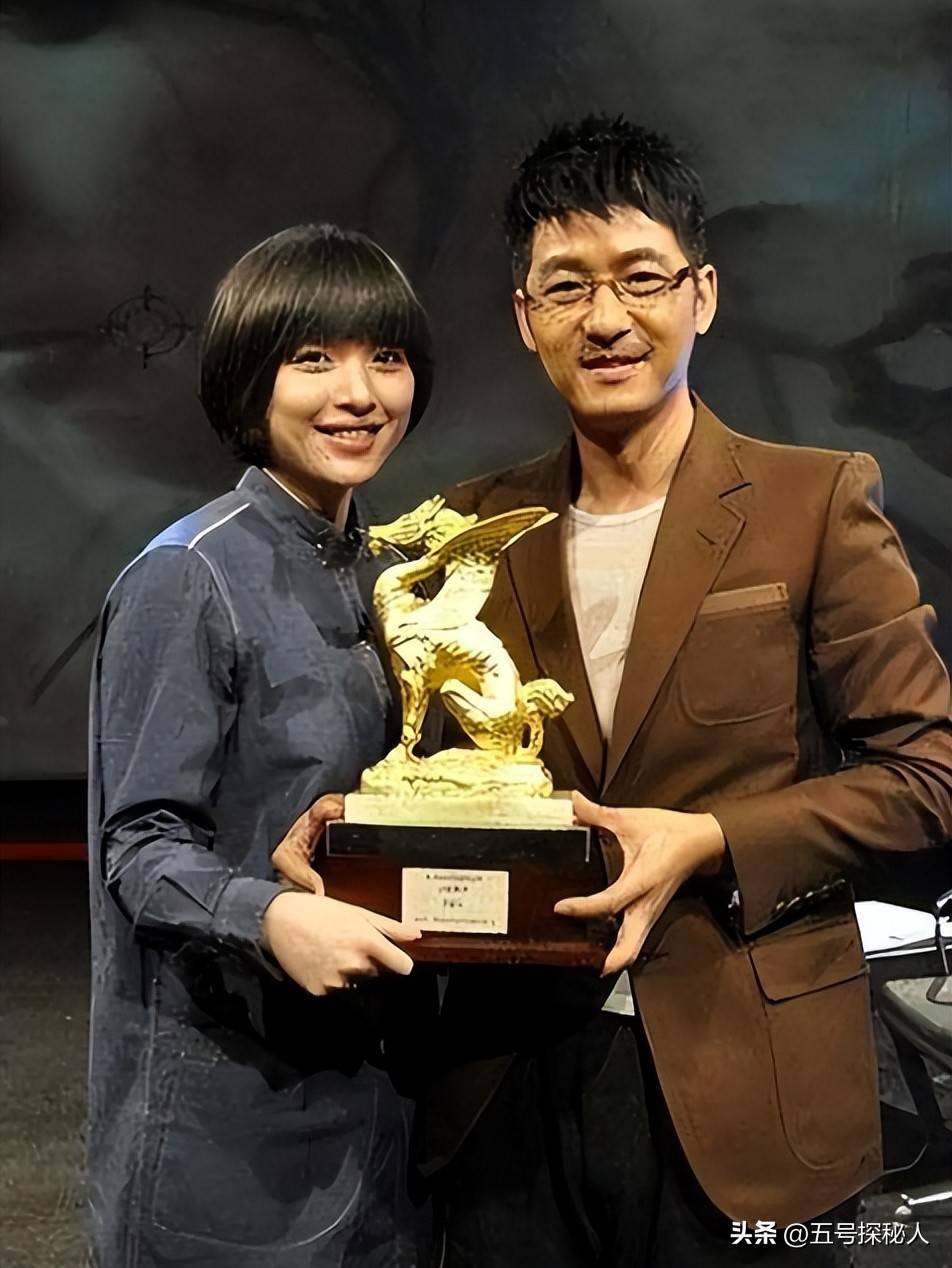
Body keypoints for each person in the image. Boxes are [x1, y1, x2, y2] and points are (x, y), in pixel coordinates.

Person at [419, 116, 952, 1266]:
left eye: (640, 277)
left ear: (700, 295)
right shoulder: (470, 528)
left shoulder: (814, 502)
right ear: (524, 316)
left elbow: (926, 780)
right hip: (509, 1086)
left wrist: (708, 838)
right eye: (566, 286)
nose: (605, 317)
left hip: (750, 1081)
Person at [87, 223, 436, 1267]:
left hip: (385, 1112)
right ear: (249, 380)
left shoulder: (387, 573)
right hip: (229, 1123)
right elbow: (138, 847)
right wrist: (271, 914)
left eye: (386, 356)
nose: (358, 393)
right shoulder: (188, 574)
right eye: (313, 358)